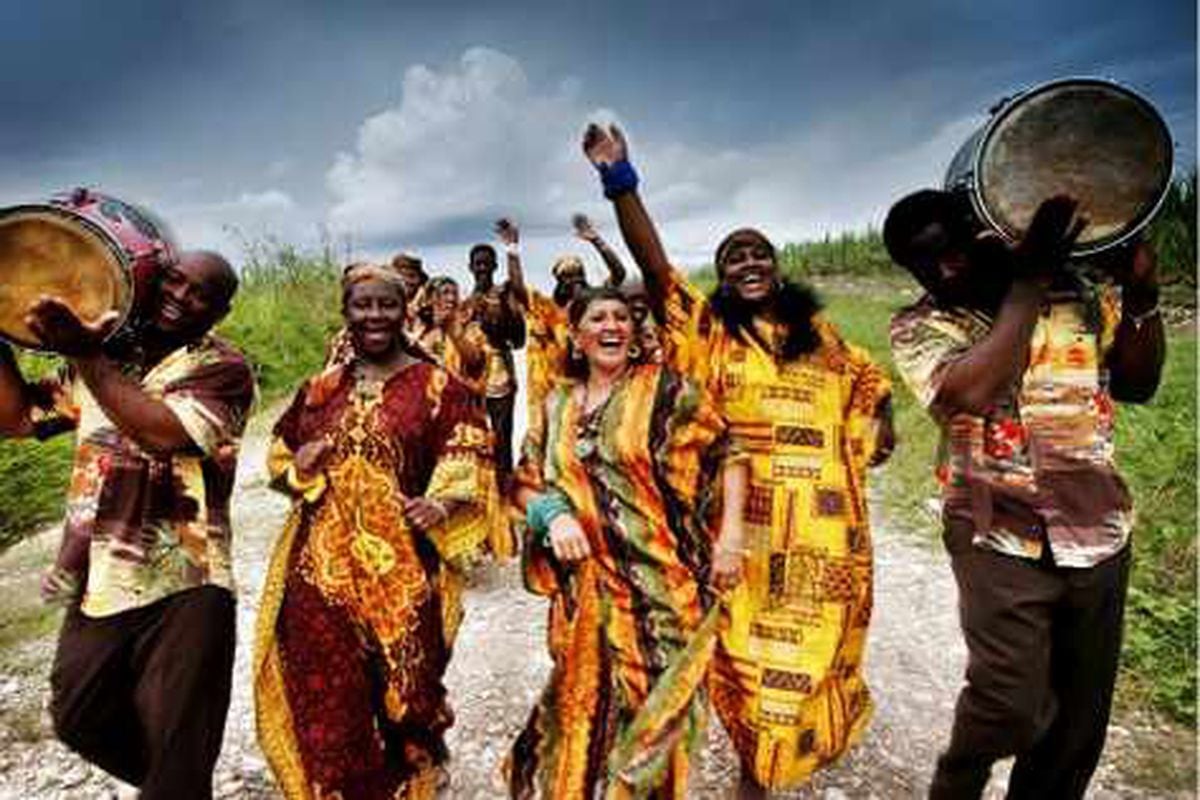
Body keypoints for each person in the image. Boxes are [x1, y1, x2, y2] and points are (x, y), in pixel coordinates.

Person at [582, 122, 895, 795]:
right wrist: (620, 179)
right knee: (749, 657)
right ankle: (757, 773)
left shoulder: (823, 337)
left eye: (759, 254)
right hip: (740, 528)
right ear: (721, 276)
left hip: (827, 531)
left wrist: (884, 424)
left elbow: (871, 381)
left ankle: (785, 758)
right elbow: (658, 268)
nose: (748, 263)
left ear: (776, 267)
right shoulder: (706, 332)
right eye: (732, 257)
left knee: (816, 650)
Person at [884, 190, 1165, 800]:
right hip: (994, 533)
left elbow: (1140, 383)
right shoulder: (921, 324)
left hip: (1098, 530)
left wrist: (1141, 299)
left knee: (1076, 725)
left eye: (952, 250)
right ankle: (956, 786)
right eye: (923, 263)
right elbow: (973, 392)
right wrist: (1030, 275)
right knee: (1008, 702)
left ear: (982, 232)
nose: (944, 269)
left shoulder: (1077, 295)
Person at [0, 250, 254, 799]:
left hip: (189, 583)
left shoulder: (224, 369)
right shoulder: (110, 354)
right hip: (102, 579)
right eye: (174, 280)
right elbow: (16, 418)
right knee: (77, 717)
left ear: (221, 311)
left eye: (200, 293)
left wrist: (88, 355)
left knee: (178, 739)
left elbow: (161, 433)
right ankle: (178, 785)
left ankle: (176, 782)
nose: (180, 296)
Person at [254, 263, 496, 799]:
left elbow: (471, 456)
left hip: (403, 570)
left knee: (407, 691)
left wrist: (440, 501)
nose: (374, 315)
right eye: (362, 305)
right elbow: (277, 456)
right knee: (326, 692)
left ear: (404, 310)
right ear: (346, 313)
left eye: (386, 303)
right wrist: (302, 468)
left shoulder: (438, 386)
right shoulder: (320, 390)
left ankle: (415, 767)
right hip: (320, 571)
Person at [507, 286, 750, 799]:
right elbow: (524, 481)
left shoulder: (669, 391)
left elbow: (730, 451)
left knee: (660, 714)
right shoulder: (556, 405)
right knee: (587, 705)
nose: (612, 326)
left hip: (664, 585)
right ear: (576, 337)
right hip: (586, 593)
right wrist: (553, 516)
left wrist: (730, 539)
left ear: (637, 335)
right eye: (598, 318)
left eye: (622, 318)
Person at [499, 216, 629, 420]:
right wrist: (512, 248)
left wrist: (597, 241)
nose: (574, 280)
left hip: (591, 388)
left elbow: (619, 274)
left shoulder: (595, 306)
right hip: (552, 391)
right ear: (558, 282)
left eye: (578, 273)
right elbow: (518, 289)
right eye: (566, 276)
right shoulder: (547, 310)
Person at [466, 239, 527, 492]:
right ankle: (477, 488)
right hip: (469, 379)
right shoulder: (464, 304)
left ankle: (504, 490)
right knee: (472, 435)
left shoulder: (503, 297)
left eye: (486, 264)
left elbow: (519, 339)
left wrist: (500, 321)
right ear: (470, 267)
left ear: (494, 266)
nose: (482, 269)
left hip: (499, 375)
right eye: (477, 264)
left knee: (501, 437)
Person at [411, 275, 488, 395]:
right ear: (430, 299)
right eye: (445, 293)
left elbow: (475, 361)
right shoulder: (420, 330)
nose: (451, 298)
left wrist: (452, 328)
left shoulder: (472, 329)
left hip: (459, 401)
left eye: (455, 293)